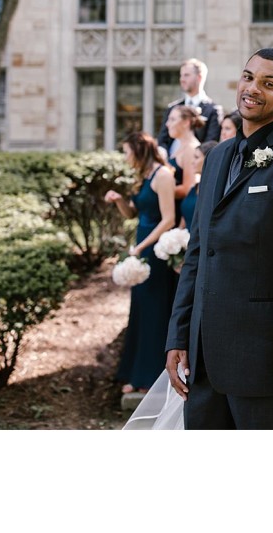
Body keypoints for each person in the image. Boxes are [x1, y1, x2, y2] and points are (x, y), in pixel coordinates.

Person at [164, 48, 273, 429]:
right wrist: (178, 334)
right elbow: (198, 251)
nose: (252, 88)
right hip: (203, 363)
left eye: (269, 83)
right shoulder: (218, 156)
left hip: (264, 370)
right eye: (248, 77)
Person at [104, 132, 177, 394]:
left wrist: (143, 247)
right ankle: (136, 372)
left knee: (155, 312)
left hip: (154, 251)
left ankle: (151, 378)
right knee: (140, 311)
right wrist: (119, 200)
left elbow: (168, 219)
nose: (125, 157)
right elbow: (132, 213)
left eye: (127, 151)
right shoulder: (144, 177)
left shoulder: (164, 176)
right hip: (141, 245)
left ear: (139, 150)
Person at [157, 58, 223, 154]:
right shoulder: (172, 108)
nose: (182, 79)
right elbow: (162, 140)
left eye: (186, 75)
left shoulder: (213, 110)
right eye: (181, 75)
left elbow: (211, 144)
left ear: (199, 78)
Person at [163, 104, 204, 222]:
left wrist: (158, 191)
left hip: (179, 215)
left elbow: (188, 188)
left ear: (186, 122)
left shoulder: (191, 149)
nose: (167, 124)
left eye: (172, 119)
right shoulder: (179, 147)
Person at [179, 140, 218, 232]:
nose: (192, 162)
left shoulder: (214, 190)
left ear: (208, 159)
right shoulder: (193, 188)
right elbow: (184, 219)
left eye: (196, 157)